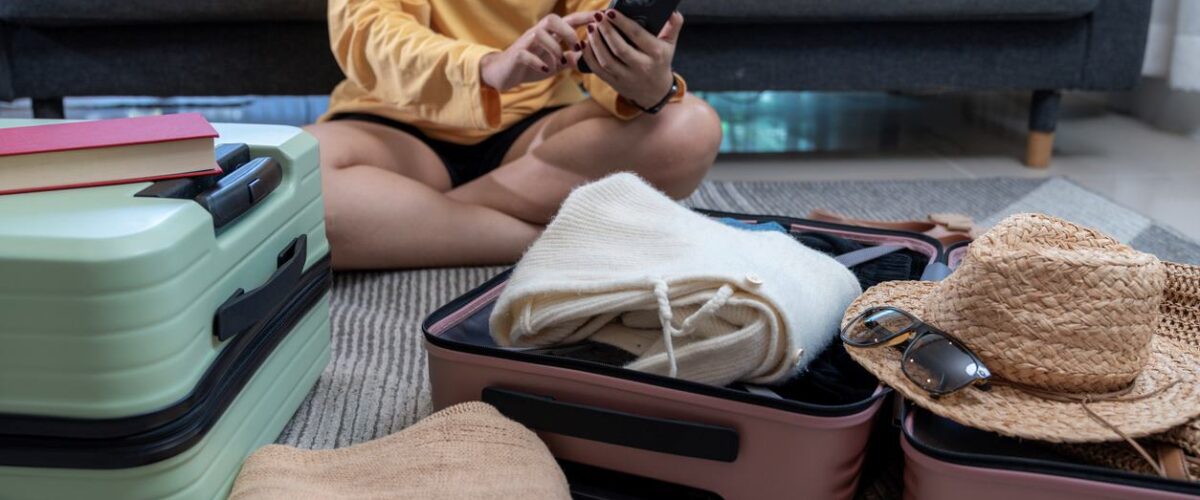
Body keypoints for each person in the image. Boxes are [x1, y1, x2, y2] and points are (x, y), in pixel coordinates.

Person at [306, 0, 723, 269]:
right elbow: (367, 32)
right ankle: (554, 239)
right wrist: (484, 67)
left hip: (533, 135)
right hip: (391, 123)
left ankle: (403, 226)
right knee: (288, 188)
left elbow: (595, 25)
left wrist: (646, 85)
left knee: (689, 129)